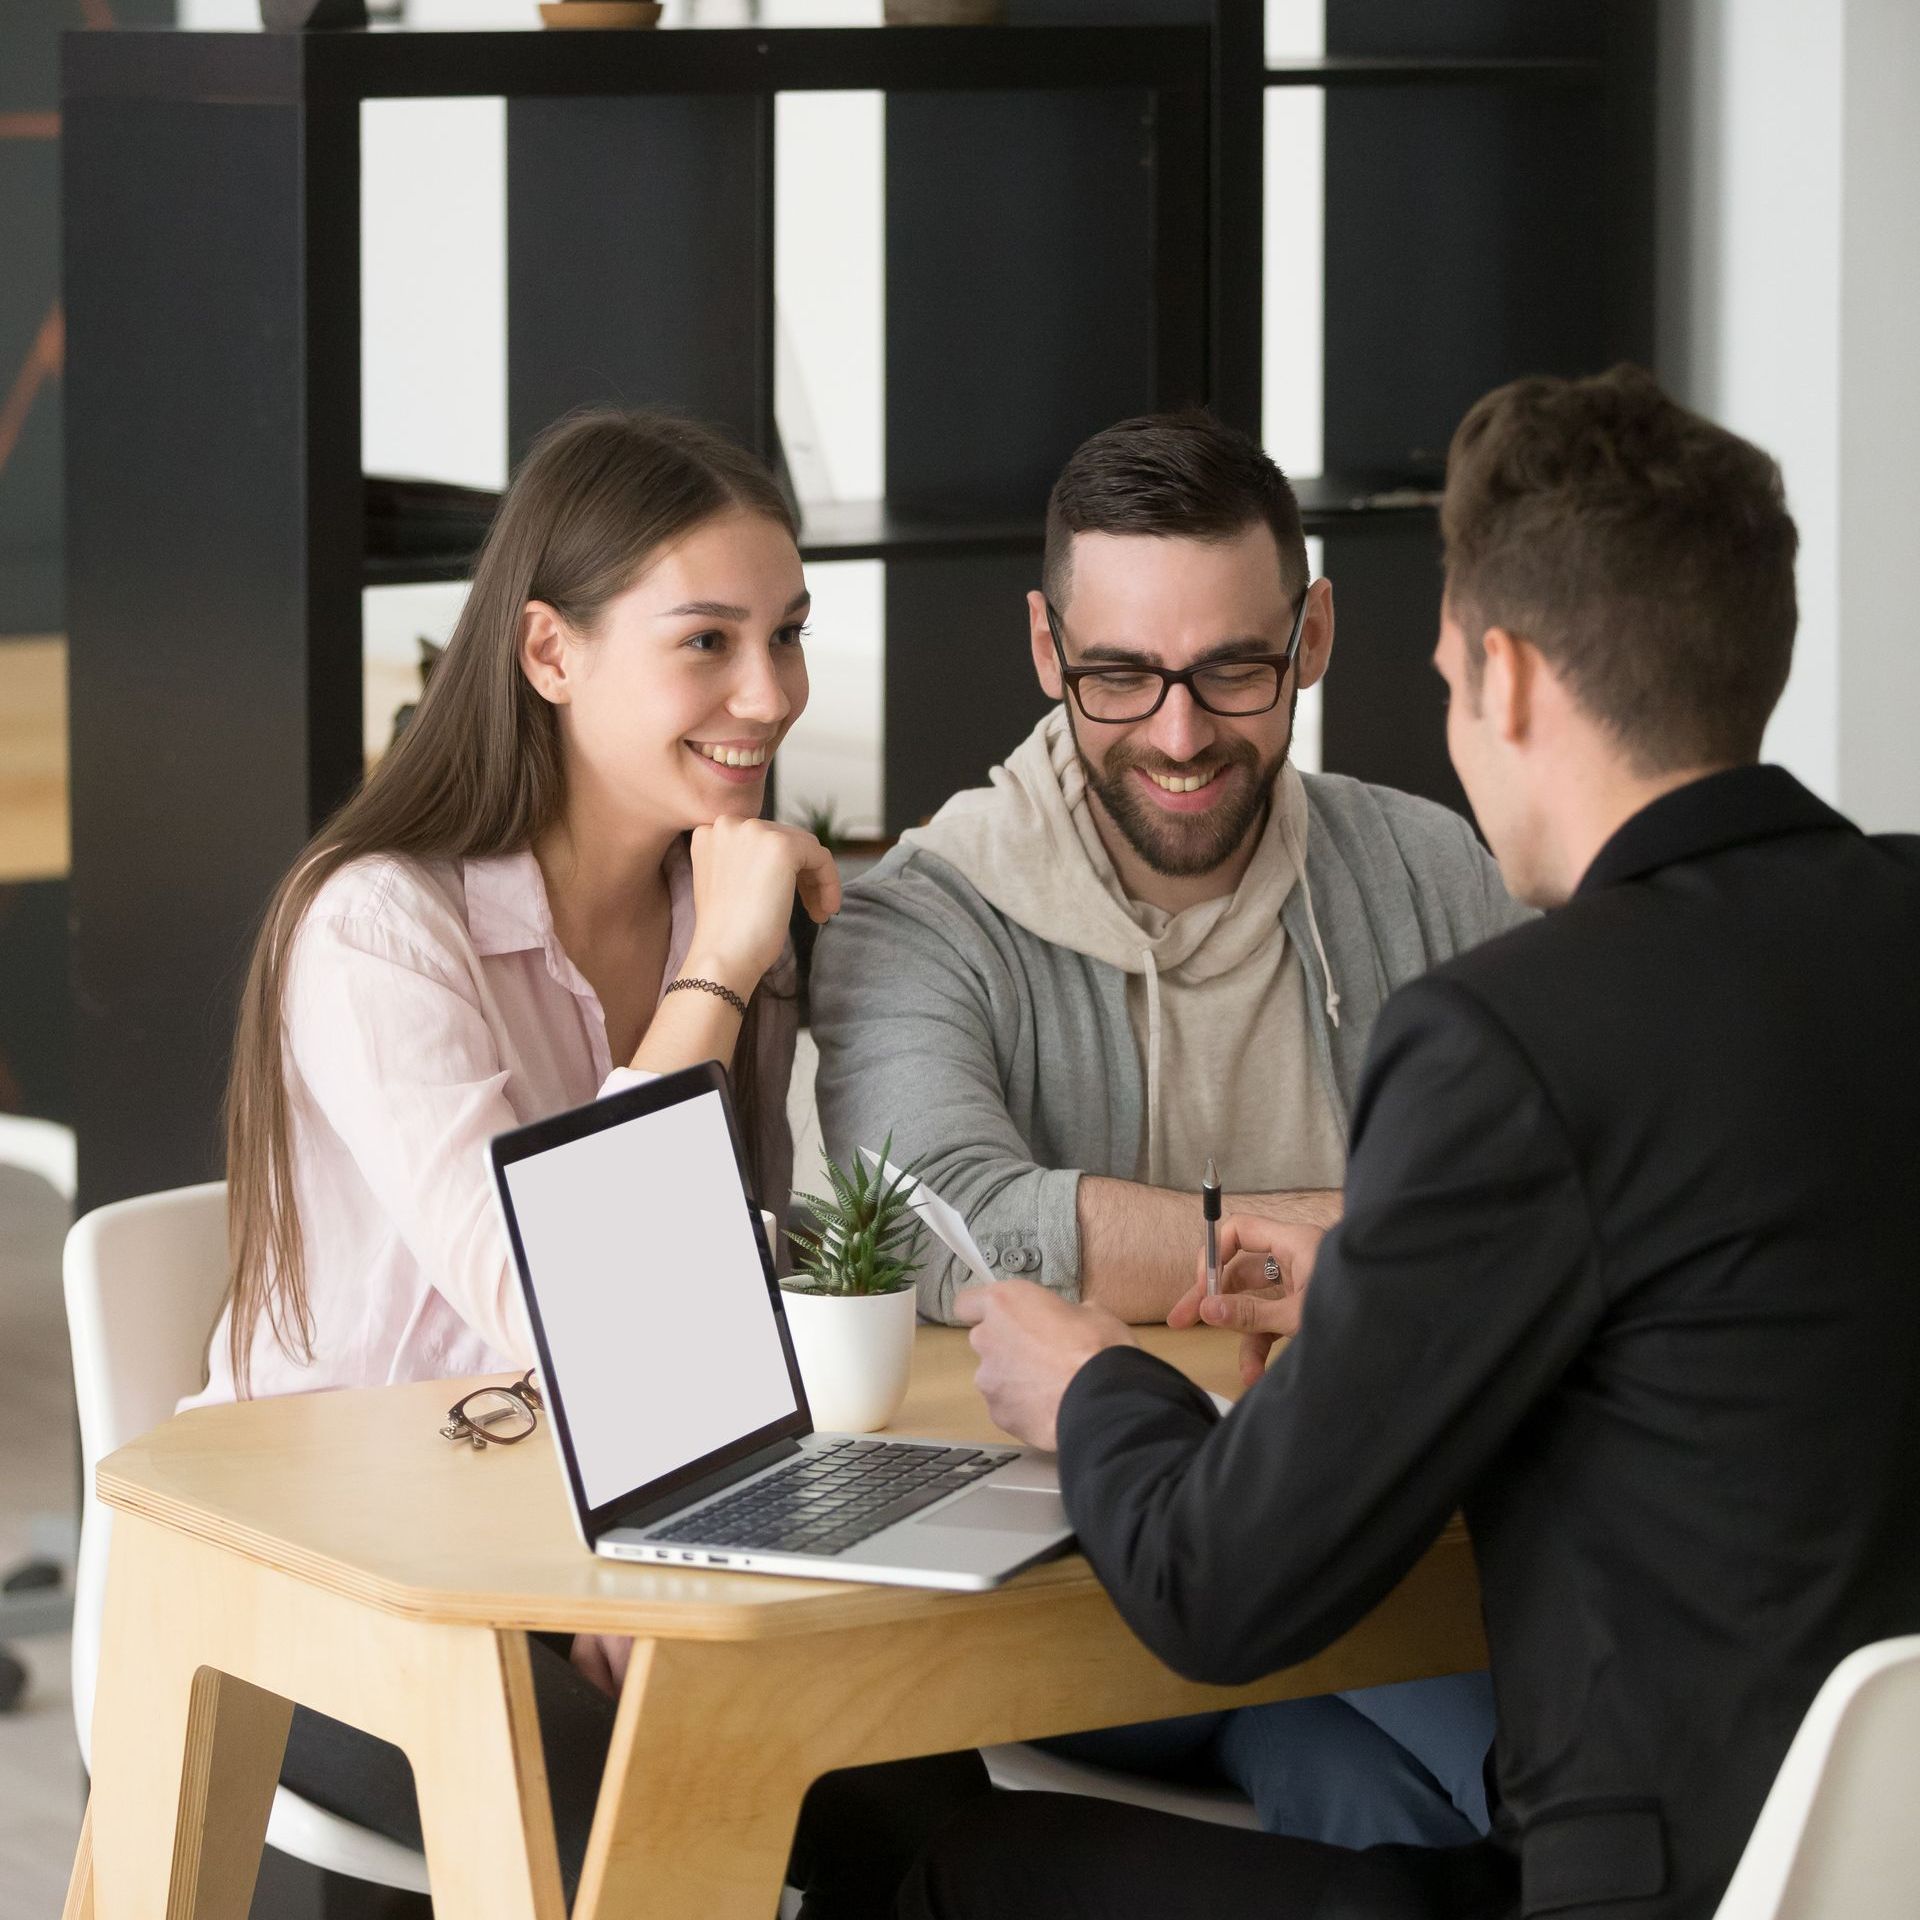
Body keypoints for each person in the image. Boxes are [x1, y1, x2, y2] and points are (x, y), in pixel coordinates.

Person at [913, 365, 1920, 1920]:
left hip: (1654, 1878)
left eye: (1448, 678)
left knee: (936, 1866)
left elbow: (1218, 1587)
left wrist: (1088, 1382)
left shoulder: (1520, 1034)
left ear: (1505, 681)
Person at [189, 410, 987, 1914]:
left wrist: (675, 1549)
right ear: (549, 654)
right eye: (707, 642)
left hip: (585, 1529)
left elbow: (713, 1315)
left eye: (789, 636)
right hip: (336, 1569)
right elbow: (584, 1305)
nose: (771, 695)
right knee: (674, 1829)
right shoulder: (375, 925)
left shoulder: (715, 894)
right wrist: (726, 973)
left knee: (917, 1780)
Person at [811, 411, 1522, 1848]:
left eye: (1235, 670)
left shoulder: (1431, 868)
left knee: (1385, 1818)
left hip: (1369, 1536)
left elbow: (1535, 1200)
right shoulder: (921, 913)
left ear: (1313, 634)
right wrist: (1352, 1232)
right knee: (1542, 1760)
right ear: (1043, 651)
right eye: (1120, 678)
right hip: (1083, 1577)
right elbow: (949, 1219)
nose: (1182, 736)